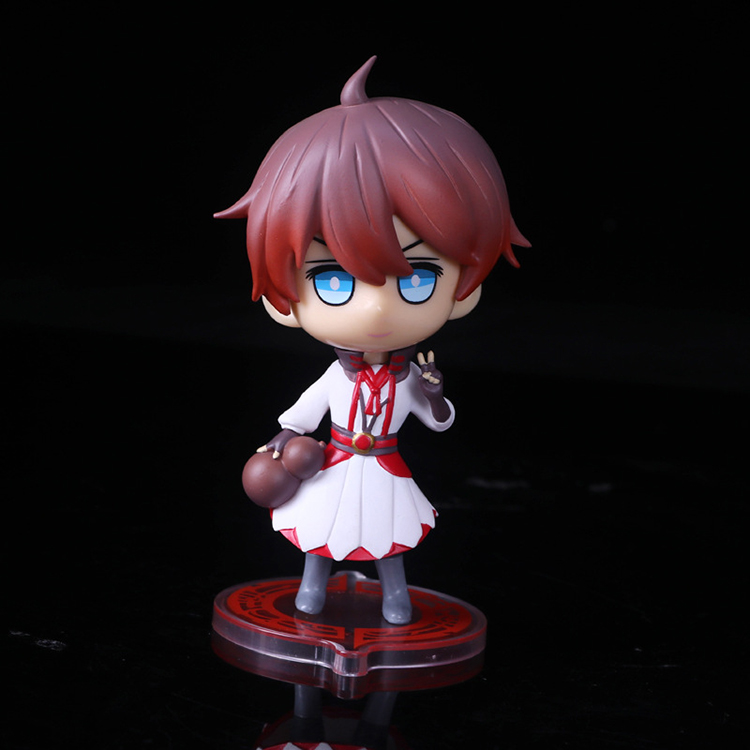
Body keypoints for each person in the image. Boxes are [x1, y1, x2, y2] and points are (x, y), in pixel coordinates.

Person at [215, 56, 529, 624]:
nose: (378, 308)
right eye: (333, 280)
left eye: (418, 278)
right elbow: (301, 417)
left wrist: (433, 393)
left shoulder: (410, 377)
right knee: (321, 532)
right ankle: (312, 589)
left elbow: (439, 421)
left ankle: (396, 597)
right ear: (284, 300)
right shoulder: (335, 377)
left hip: (383, 467)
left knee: (388, 538)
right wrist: (279, 444)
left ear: (465, 289)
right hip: (334, 465)